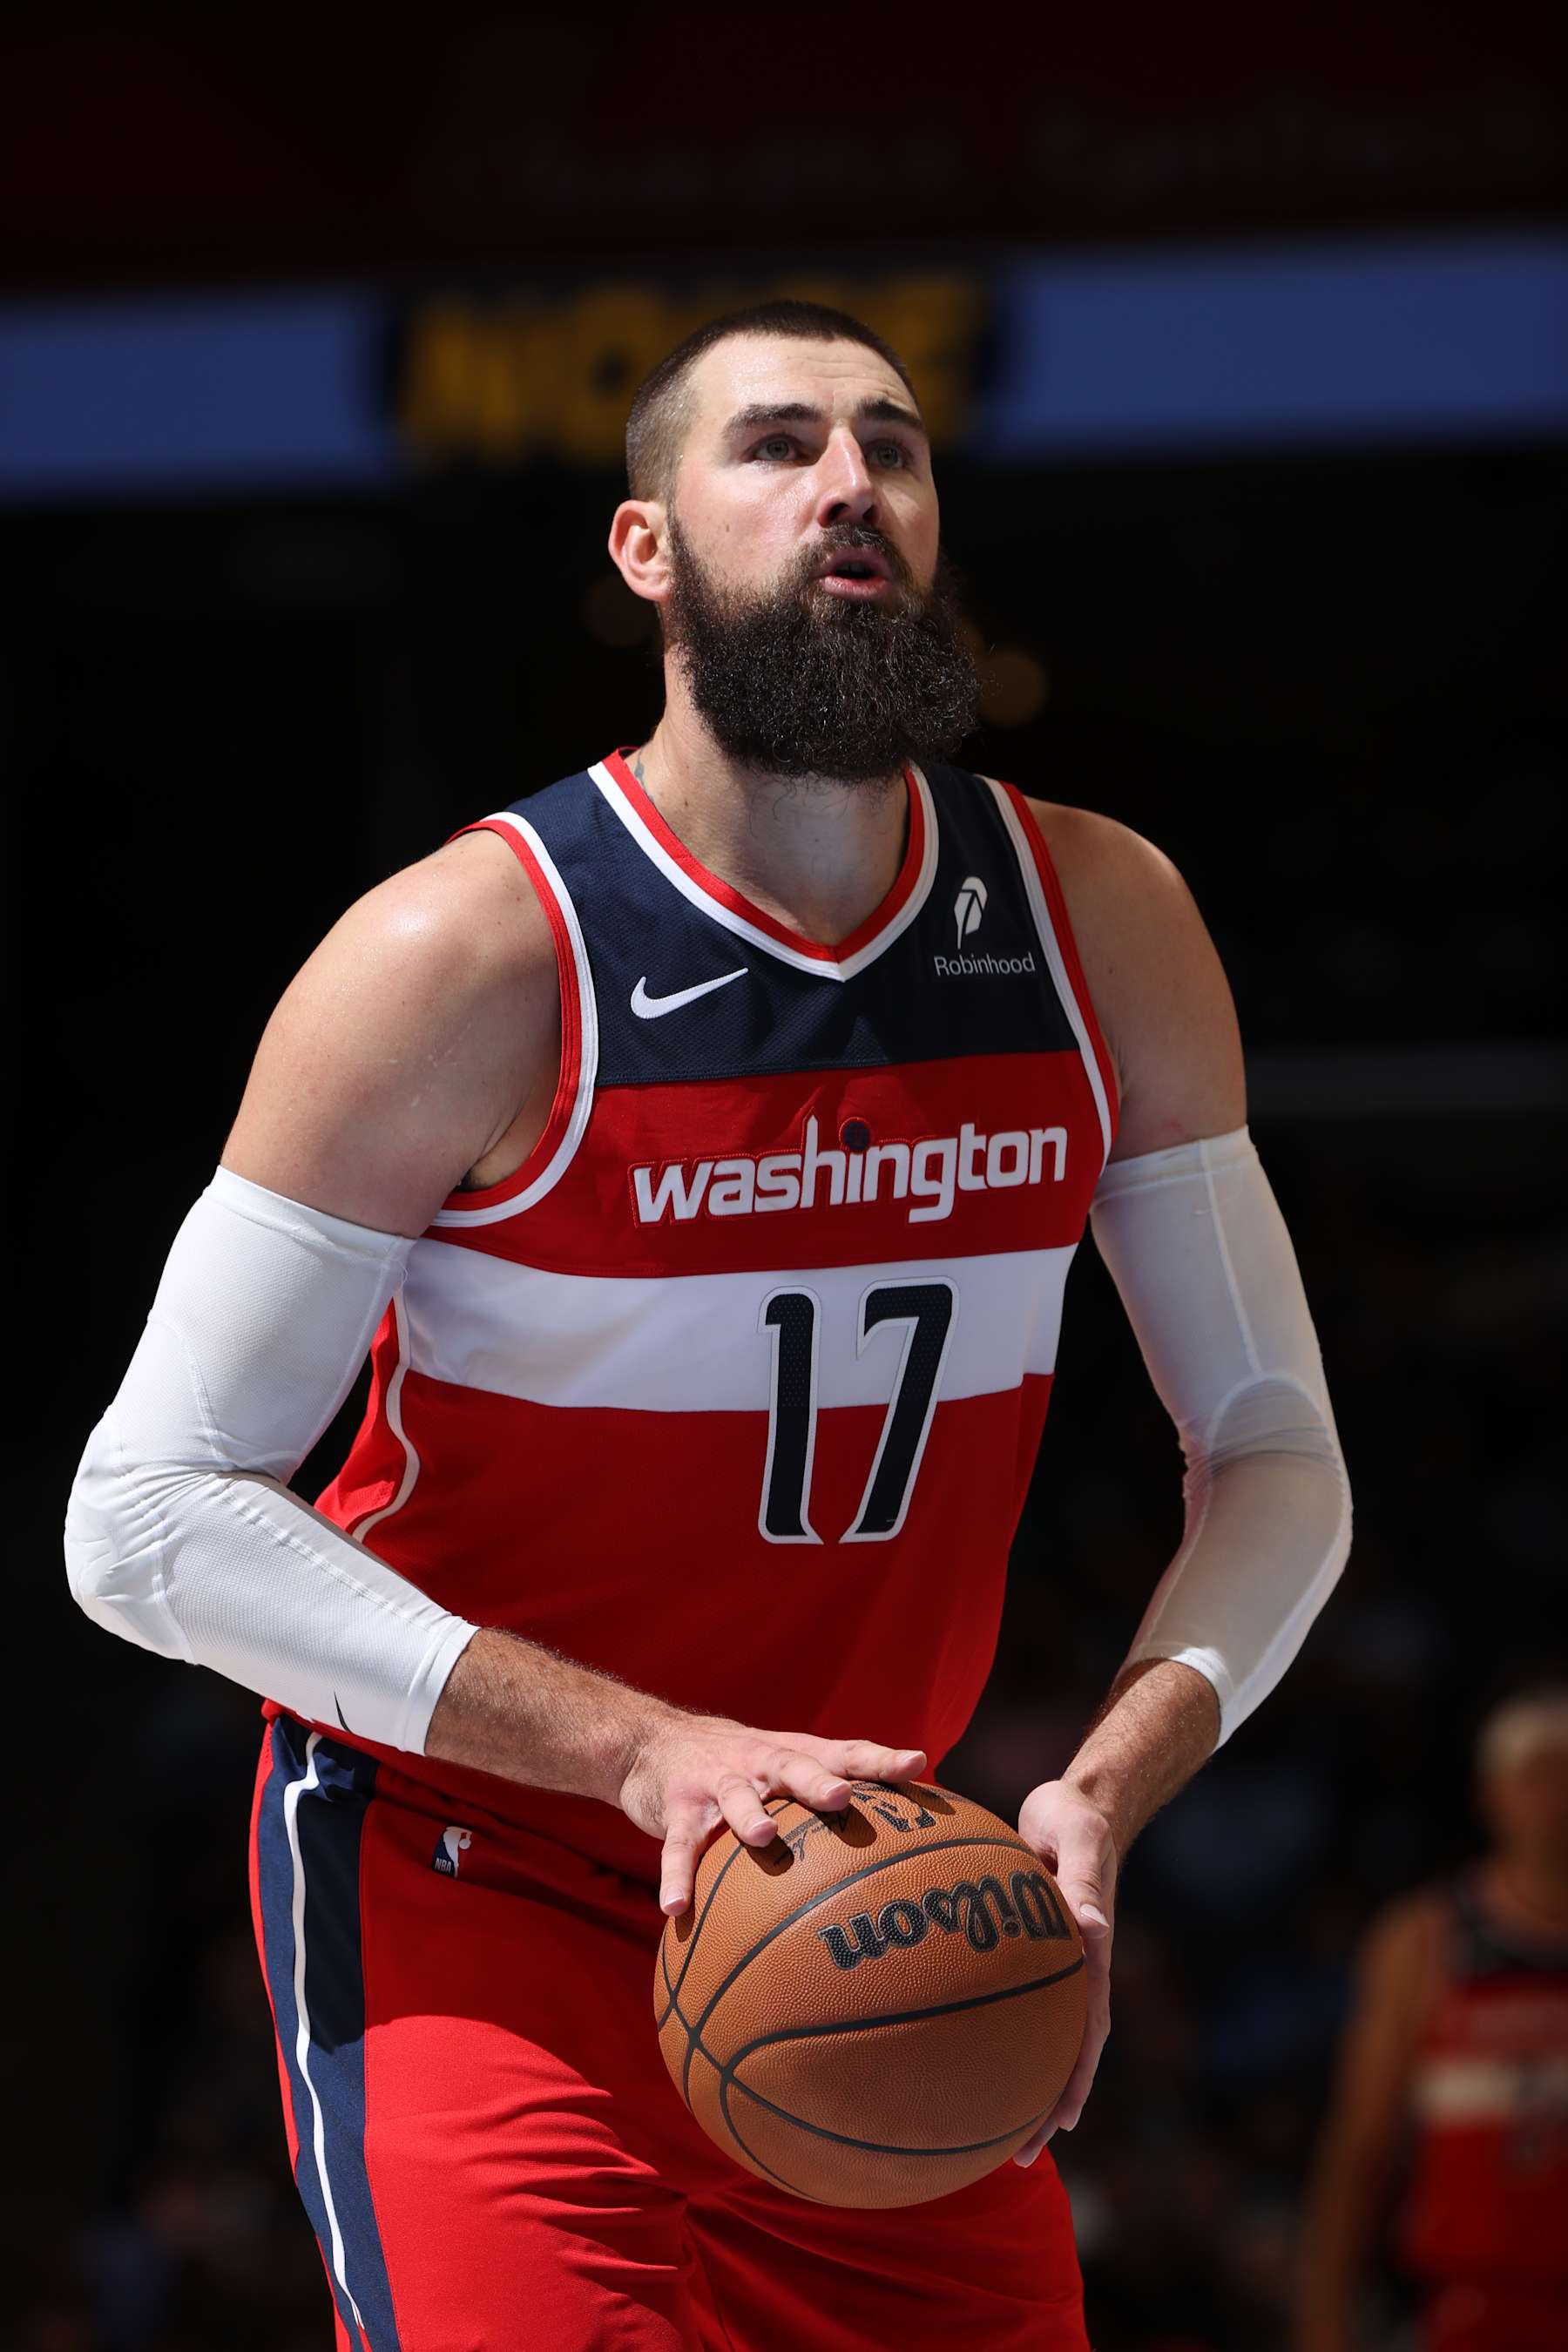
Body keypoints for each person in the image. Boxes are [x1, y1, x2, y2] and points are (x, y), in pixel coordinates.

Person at [67, 300, 1352, 2351]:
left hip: (863, 1901)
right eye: (776, 444)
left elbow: (1276, 1441)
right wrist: (648, 1747)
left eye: (895, 447)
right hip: (474, 1877)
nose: (853, 480)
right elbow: (140, 1512)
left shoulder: (1100, 921)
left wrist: (1107, 1780)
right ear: (644, 545)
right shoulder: (463, 954)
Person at [1294, 1687, 1568, 2352]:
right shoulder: (1425, 1940)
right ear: (1492, 1794)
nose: (1559, 1798)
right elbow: (1362, 2146)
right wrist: (1323, 2318)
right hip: (1470, 2305)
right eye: (1540, 1774)